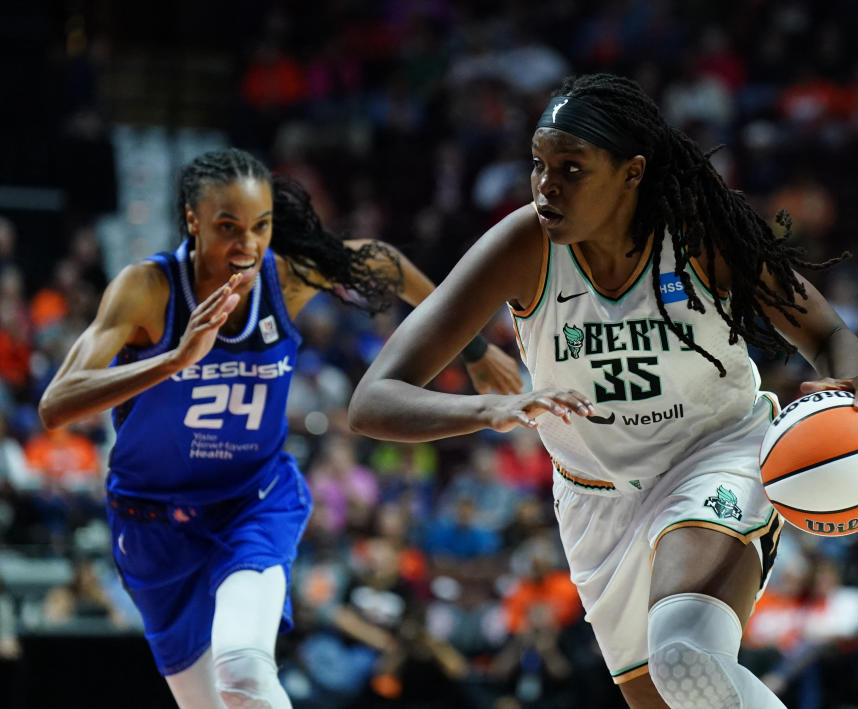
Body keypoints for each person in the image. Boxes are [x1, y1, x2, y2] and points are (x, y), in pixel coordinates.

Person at [348, 73, 858, 708]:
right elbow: (373, 401)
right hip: (594, 498)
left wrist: (853, 379)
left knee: (683, 656)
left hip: (714, 456)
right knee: (670, 700)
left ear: (631, 173)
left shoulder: (700, 237)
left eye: (572, 168)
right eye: (538, 164)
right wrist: (492, 406)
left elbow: (828, 333)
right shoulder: (520, 245)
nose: (545, 184)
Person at [37, 147, 521, 709]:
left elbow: (382, 262)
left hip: (251, 501)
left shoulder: (285, 278)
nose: (247, 244)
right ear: (192, 220)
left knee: (243, 668)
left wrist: (477, 349)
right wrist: (173, 360)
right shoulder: (148, 289)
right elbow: (56, 403)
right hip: (152, 521)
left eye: (260, 226)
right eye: (228, 227)